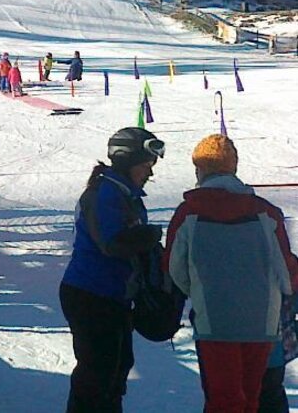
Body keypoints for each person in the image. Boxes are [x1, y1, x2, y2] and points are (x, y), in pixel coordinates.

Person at [165, 134, 298, 413]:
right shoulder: (266, 212)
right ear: (233, 168)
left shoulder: (188, 213)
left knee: (223, 400)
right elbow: (285, 271)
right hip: (261, 322)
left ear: (200, 170)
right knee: (252, 397)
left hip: (214, 321)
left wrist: (200, 292)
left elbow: (175, 268)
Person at [60, 127, 166, 413]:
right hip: (90, 294)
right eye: (147, 166)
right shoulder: (105, 192)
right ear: (128, 161)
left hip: (112, 296)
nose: (150, 173)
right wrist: (150, 236)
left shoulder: (124, 193)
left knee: (117, 368)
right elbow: (112, 243)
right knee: (97, 373)